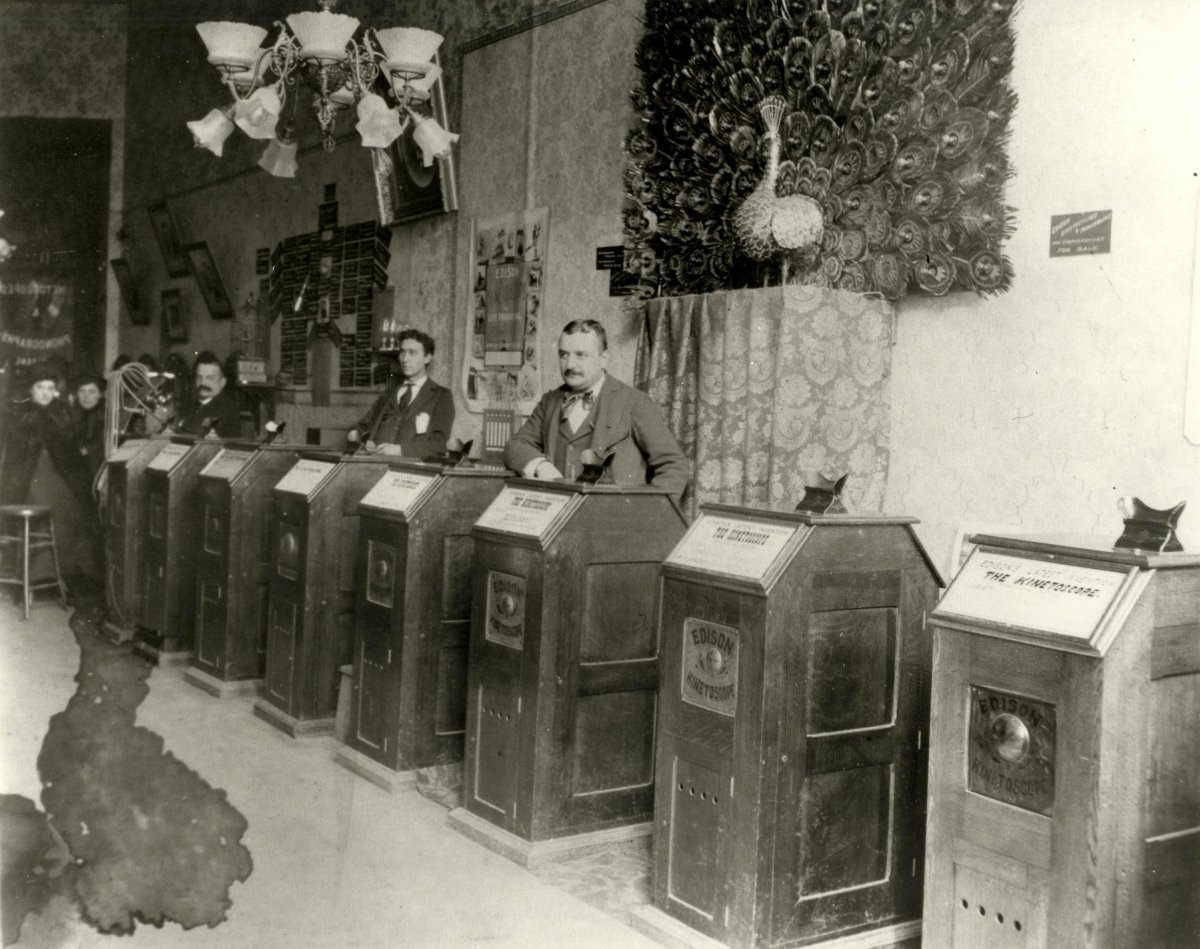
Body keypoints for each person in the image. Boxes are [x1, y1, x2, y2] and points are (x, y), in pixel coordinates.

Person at [504, 319, 690, 498]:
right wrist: (541, 466)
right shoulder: (550, 402)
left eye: (581, 355)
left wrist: (643, 512)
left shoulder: (635, 402)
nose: (570, 365)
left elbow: (674, 466)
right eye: (564, 354)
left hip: (612, 523)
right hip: (557, 517)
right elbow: (516, 445)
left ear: (603, 359)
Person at [351, 329, 455, 458]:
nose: (405, 359)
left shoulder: (441, 396)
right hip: (375, 466)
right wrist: (362, 440)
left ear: (427, 358)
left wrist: (400, 450)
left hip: (411, 471)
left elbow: (438, 445)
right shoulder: (388, 393)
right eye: (402, 352)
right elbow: (361, 427)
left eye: (412, 353)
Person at [173, 351, 241, 438]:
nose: (203, 383)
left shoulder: (228, 409)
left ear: (222, 382)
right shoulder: (193, 404)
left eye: (209, 378)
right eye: (199, 377)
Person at [73, 373, 107, 480]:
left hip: (99, 468)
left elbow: (102, 441)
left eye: (92, 391)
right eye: (82, 391)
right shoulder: (71, 413)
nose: (86, 396)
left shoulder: (107, 415)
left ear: (100, 394)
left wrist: (87, 450)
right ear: (77, 394)